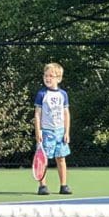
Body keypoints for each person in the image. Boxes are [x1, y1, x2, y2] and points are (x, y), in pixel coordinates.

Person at [33, 62, 72, 195]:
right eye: (46, 75)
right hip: (46, 132)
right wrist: (38, 131)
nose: (48, 78)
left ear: (59, 78)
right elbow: (37, 114)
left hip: (60, 132)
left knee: (61, 158)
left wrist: (67, 132)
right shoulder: (41, 94)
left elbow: (66, 114)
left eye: (51, 76)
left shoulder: (63, 94)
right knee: (42, 159)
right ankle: (42, 186)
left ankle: (64, 186)